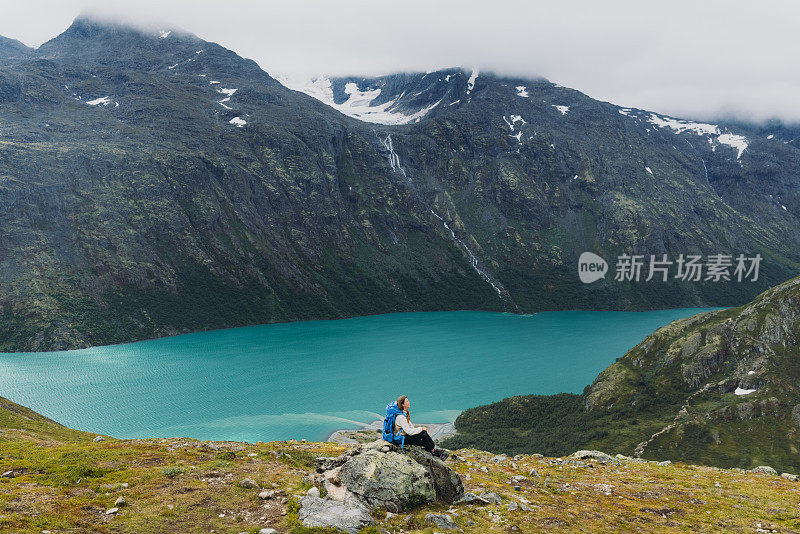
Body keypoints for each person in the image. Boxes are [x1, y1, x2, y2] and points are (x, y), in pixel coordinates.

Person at [391, 395, 450, 460]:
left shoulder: (404, 413)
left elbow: (410, 428)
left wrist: (418, 431)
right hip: (403, 438)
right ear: (403, 404)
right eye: (407, 401)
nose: (409, 402)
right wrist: (421, 428)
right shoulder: (401, 417)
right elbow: (409, 431)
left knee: (423, 441)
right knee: (423, 432)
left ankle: (433, 450)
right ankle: (434, 451)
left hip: (405, 436)